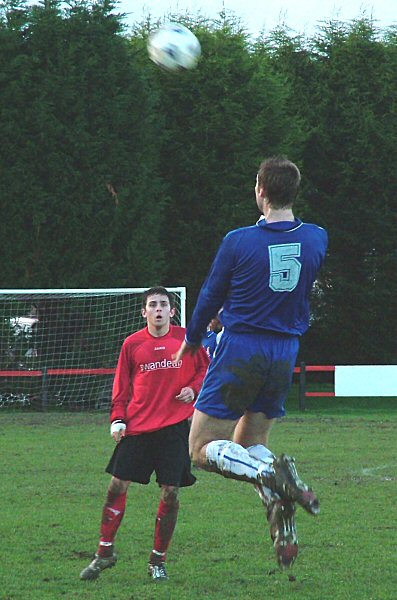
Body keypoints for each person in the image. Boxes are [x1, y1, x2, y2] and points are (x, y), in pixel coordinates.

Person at [174, 156, 328, 570]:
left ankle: (272, 476)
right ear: (294, 192)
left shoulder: (239, 240)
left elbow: (210, 295)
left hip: (243, 347)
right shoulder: (317, 238)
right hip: (285, 351)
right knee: (251, 447)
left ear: (260, 190)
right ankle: (284, 520)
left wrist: (191, 339)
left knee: (201, 448)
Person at [80, 286, 210, 582]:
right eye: (153, 305)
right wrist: (117, 419)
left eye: (164, 304)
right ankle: (104, 552)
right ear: (144, 312)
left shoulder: (187, 340)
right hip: (138, 428)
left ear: (172, 311)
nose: (159, 309)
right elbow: (122, 386)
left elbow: (206, 369)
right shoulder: (133, 344)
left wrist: (195, 388)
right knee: (116, 485)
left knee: (171, 493)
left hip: (174, 430)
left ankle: (158, 561)